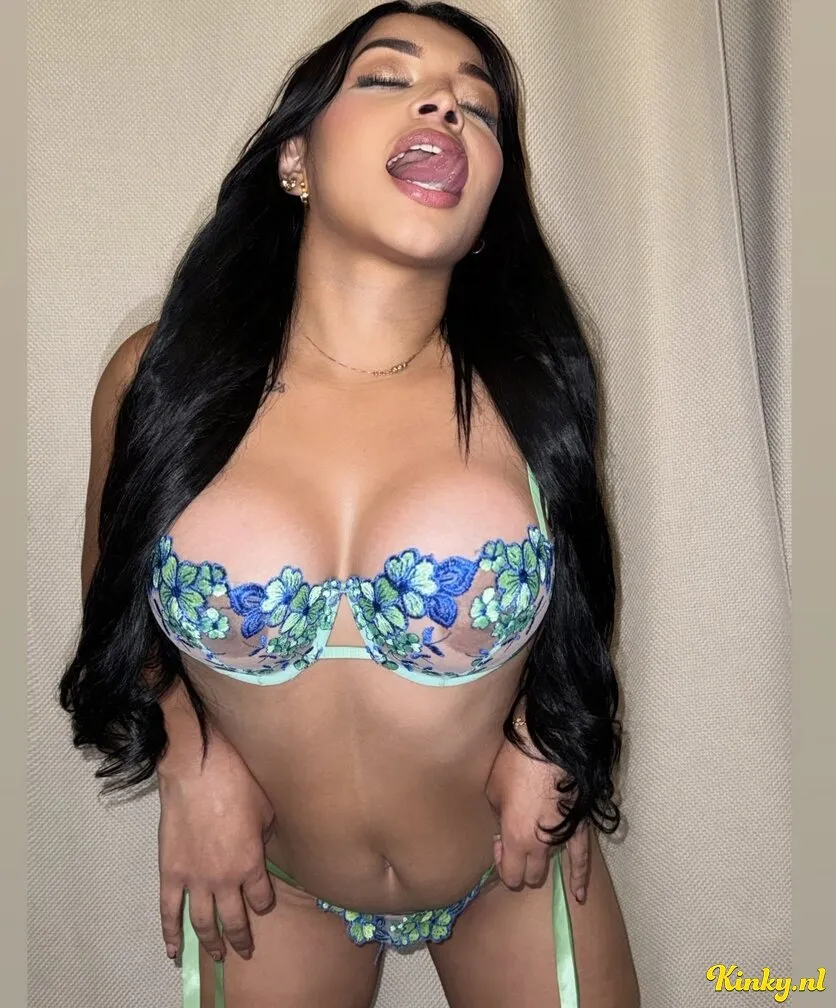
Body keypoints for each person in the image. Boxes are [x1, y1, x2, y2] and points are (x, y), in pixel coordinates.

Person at [60, 2, 640, 1005]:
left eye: (479, 106)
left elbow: (581, 590)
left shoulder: (537, 386)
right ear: (295, 156)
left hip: (515, 874)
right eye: (387, 77)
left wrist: (547, 739)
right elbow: (112, 600)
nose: (445, 105)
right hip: (273, 892)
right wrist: (190, 763)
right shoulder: (156, 379)